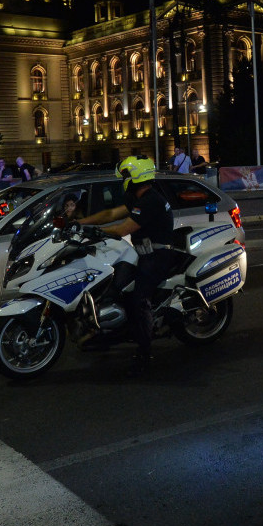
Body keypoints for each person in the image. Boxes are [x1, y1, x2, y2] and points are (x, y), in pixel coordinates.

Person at [76, 157, 174, 377]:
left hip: (157, 256)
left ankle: (145, 350)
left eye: (126, 177)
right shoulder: (138, 197)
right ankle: (106, 332)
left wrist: (99, 231)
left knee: (139, 299)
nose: (123, 181)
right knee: (114, 284)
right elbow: (110, 215)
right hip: (142, 253)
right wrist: (80, 223)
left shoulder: (150, 201)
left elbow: (123, 229)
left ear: (135, 178)